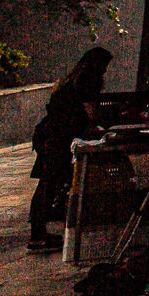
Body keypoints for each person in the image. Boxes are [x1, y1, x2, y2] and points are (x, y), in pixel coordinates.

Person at [28, 47, 112, 252]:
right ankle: (38, 238)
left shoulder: (71, 79)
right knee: (49, 184)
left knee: (47, 184)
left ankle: (38, 234)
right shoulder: (87, 81)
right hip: (57, 137)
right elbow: (91, 113)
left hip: (48, 133)